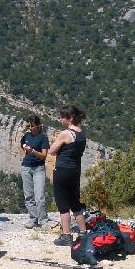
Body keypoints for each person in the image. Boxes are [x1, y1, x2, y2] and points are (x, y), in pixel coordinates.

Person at [49, 104, 87, 246]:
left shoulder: (66, 134)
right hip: (75, 171)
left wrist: (57, 142)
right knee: (75, 203)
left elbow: (52, 151)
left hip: (62, 171)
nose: (60, 120)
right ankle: (83, 232)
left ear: (70, 118)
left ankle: (66, 235)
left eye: (62, 117)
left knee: (63, 205)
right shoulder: (81, 133)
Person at [20, 115, 49, 229]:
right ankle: (33, 218)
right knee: (28, 195)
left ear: (38, 126)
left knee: (39, 196)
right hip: (26, 167)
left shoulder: (43, 138)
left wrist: (32, 151)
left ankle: (43, 220)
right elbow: (21, 145)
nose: (30, 128)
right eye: (29, 125)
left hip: (38, 169)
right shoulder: (26, 135)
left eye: (32, 126)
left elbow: (44, 155)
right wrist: (24, 155)